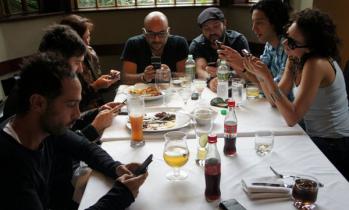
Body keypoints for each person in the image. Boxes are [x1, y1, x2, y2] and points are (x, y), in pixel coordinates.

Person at [0, 53, 147, 210]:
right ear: (38, 103)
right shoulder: (9, 167)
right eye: (71, 104)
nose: (77, 114)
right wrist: (122, 195)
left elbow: (85, 148)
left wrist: (116, 168)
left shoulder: (43, 128)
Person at [244, 9, 349, 180]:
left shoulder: (316, 63)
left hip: (333, 144)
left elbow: (292, 117)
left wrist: (268, 78)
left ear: (312, 46)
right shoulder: (296, 58)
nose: (285, 45)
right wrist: (262, 77)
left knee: (270, 163)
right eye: (287, 38)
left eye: (292, 42)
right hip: (311, 133)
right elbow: (274, 100)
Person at [219, 0, 291, 85]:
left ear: (275, 22)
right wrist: (237, 64)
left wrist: (243, 65)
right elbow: (259, 78)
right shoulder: (269, 45)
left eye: (259, 23)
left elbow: (278, 92)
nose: (253, 28)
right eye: (253, 23)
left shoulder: (289, 48)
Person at [60, 14, 120, 110]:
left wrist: (112, 80)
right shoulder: (62, 62)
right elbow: (72, 103)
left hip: (97, 109)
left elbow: (98, 88)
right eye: (82, 39)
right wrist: (95, 86)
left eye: (88, 37)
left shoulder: (90, 53)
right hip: (77, 114)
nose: (87, 43)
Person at [189, 7, 249, 92]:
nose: (212, 32)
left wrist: (226, 74)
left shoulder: (238, 40)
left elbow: (247, 71)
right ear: (201, 30)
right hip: (210, 90)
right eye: (207, 29)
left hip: (236, 88)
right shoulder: (197, 45)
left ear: (224, 23)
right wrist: (211, 81)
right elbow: (200, 70)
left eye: (216, 26)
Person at [121, 11, 189, 84]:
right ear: (144, 32)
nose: (157, 39)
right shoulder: (133, 44)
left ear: (168, 31)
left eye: (162, 33)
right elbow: (125, 78)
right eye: (151, 34)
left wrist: (170, 75)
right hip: (142, 93)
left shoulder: (179, 43)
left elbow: (187, 76)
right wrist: (143, 77)